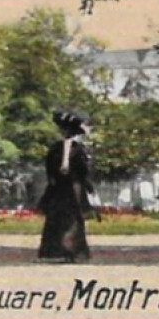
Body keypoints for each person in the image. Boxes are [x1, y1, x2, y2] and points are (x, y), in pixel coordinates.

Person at [37, 112, 94, 262]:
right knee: (70, 219)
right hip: (71, 188)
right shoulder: (78, 150)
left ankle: (60, 251)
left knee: (62, 218)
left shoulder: (57, 149)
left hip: (62, 188)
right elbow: (83, 171)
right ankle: (71, 251)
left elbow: (50, 170)